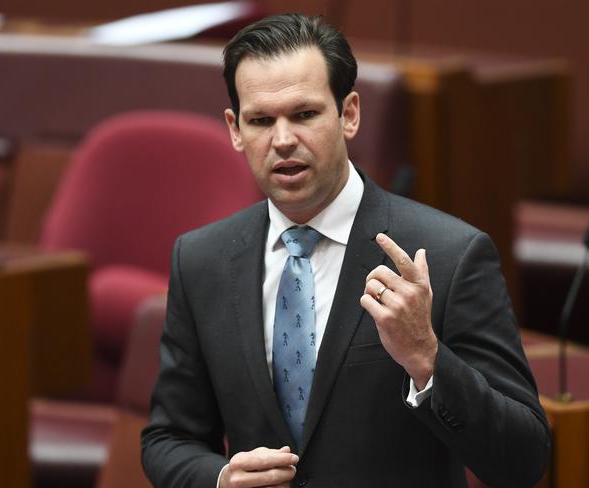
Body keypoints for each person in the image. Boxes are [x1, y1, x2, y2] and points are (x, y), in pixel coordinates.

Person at [141, 13, 550, 488]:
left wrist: (427, 359)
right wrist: (219, 478)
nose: (283, 140)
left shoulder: (449, 254)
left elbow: (523, 458)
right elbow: (167, 438)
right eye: (260, 120)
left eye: (305, 114)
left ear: (349, 113)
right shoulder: (201, 260)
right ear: (235, 129)